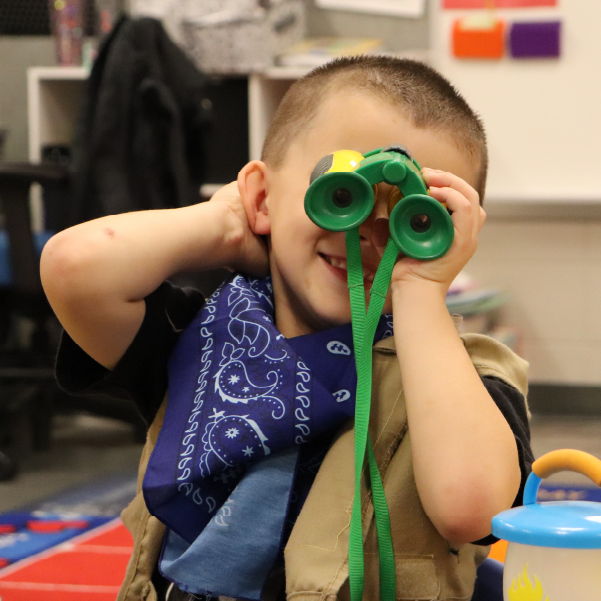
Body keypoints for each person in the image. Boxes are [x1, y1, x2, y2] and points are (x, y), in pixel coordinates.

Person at [41, 56, 533, 601]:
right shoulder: (201, 340)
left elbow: (472, 508)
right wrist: (226, 223)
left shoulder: (465, 378)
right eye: (342, 191)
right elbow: (74, 269)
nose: (370, 231)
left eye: (414, 215)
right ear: (260, 196)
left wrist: (418, 288)